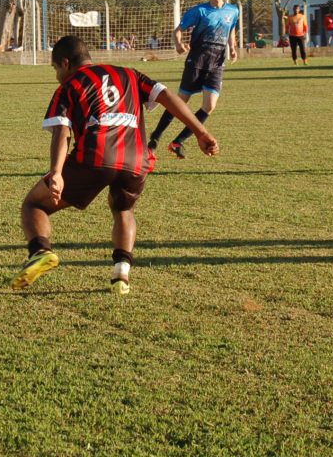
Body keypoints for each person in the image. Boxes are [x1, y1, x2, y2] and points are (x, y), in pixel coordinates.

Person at [11, 35, 219, 295]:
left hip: (95, 157)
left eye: (55, 68)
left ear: (65, 63)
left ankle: (40, 252)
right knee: (123, 208)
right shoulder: (129, 74)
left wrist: (56, 172)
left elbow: (62, 132)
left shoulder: (69, 85)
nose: (57, 76)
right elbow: (166, 95)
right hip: (137, 160)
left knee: (35, 204)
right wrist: (200, 132)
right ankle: (121, 273)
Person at [146, 0, 240, 158]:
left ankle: (177, 142)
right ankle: (156, 136)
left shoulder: (233, 11)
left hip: (217, 64)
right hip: (196, 61)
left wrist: (233, 48)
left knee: (209, 106)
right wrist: (179, 45)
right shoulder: (199, 11)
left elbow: (231, 30)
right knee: (180, 103)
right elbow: (178, 31)